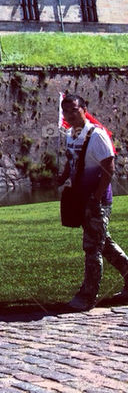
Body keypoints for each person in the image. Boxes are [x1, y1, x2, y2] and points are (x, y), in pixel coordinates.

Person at [58, 92, 128, 310]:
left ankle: (87, 295)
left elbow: (109, 166)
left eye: (74, 110)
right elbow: (73, 161)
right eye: (66, 111)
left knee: (92, 247)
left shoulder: (96, 135)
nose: (70, 114)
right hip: (81, 198)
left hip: (97, 201)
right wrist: (62, 177)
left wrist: (96, 198)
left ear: (84, 110)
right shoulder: (71, 134)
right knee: (101, 242)